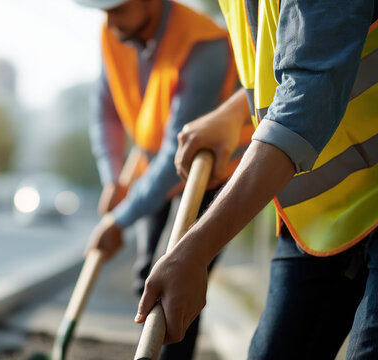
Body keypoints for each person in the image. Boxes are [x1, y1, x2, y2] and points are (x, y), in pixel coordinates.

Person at [135, 0, 378, 358]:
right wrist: (233, 115)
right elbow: (302, 57)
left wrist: (195, 250)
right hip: (327, 212)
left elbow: (306, 102)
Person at [74, 0, 252, 358]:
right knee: (148, 276)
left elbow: (177, 154)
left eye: (117, 10)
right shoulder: (116, 33)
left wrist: (119, 219)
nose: (109, 22)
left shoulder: (203, 43)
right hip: (155, 168)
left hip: (210, 172)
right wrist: (114, 180)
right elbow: (104, 111)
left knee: (174, 279)